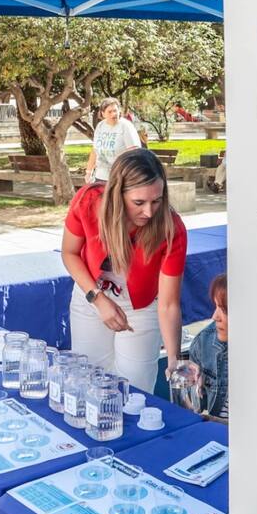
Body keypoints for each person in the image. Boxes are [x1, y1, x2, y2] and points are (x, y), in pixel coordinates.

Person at [61, 148, 187, 393]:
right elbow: (69, 253)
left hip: (141, 308)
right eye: (138, 202)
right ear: (117, 195)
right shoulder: (88, 201)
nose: (149, 212)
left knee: (136, 388)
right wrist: (98, 299)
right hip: (91, 296)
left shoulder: (172, 229)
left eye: (156, 201)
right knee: (88, 382)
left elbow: (169, 304)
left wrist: (174, 359)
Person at [190, 273, 228, 420]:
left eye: (224, 309)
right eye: (216, 306)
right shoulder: (203, 342)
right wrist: (192, 385)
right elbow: (195, 410)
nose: (215, 316)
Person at [85, 97, 142, 183]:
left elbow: (135, 153)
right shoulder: (100, 126)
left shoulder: (126, 126)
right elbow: (95, 150)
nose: (113, 114)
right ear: (103, 113)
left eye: (115, 110)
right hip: (100, 177)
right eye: (110, 112)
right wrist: (88, 172)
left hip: (120, 177)